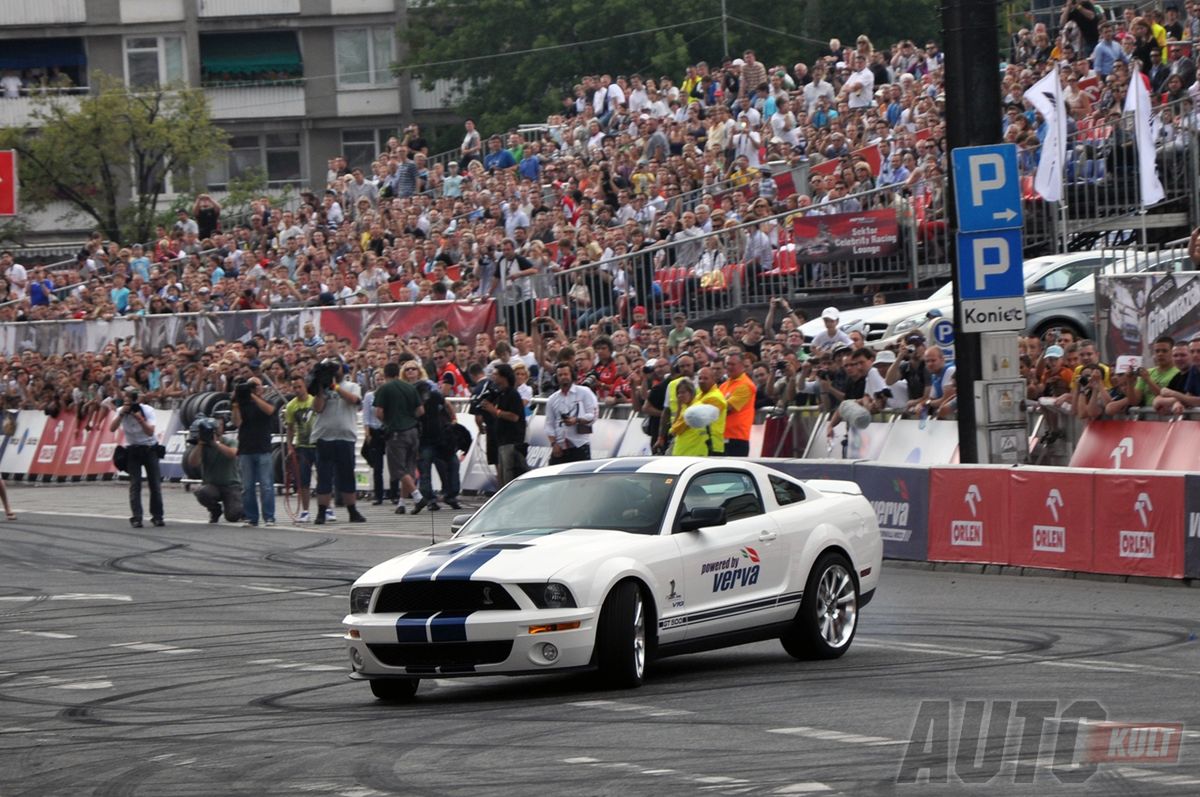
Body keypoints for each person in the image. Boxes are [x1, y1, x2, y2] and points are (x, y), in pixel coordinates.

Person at [313, 362, 366, 524]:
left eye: (337, 369)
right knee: (324, 477)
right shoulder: (321, 388)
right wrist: (321, 389)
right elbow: (317, 408)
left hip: (345, 436)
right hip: (324, 436)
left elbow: (354, 400)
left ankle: (352, 510)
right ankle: (322, 511)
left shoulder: (351, 386)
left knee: (347, 475)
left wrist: (335, 387)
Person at [374, 361, 426, 514]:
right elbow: (421, 410)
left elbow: (379, 413)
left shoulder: (384, 389)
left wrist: (389, 422)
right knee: (408, 468)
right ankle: (401, 503)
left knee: (398, 469)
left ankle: (418, 497)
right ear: (399, 372)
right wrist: (409, 418)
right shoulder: (410, 387)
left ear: (385, 374)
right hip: (413, 431)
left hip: (396, 432)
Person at [408, 363, 461, 511]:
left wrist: (454, 419)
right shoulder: (413, 401)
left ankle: (450, 495)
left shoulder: (435, 395)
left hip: (440, 438)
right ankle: (431, 499)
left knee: (452, 465)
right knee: (425, 471)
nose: (425, 395)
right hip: (424, 440)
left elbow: (447, 404)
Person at [110, 386, 163, 528]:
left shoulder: (147, 410)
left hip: (149, 448)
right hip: (133, 449)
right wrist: (122, 414)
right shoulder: (121, 411)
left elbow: (150, 432)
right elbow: (112, 428)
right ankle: (137, 517)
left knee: (155, 484)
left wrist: (139, 418)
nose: (130, 406)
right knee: (135, 484)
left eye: (131, 402)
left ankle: (157, 516)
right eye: (127, 402)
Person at [231, 376, 277, 528]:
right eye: (251, 386)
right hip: (246, 449)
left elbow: (270, 411)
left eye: (256, 385)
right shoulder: (242, 403)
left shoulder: (266, 401)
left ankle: (269, 517)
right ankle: (251, 517)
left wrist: (253, 395)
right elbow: (237, 422)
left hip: (263, 448)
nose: (253, 387)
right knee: (247, 487)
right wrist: (236, 403)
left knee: (266, 485)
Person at [187, 418, 243, 523]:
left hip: (231, 485)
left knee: (233, 516)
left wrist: (215, 443)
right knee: (201, 492)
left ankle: (241, 505)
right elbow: (193, 463)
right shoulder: (203, 446)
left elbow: (232, 454)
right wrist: (200, 444)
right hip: (213, 486)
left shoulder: (230, 442)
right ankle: (215, 510)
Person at [480, 363, 527, 485]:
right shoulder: (501, 394)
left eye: (496, 374)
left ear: (504, 377)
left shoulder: (513, 394)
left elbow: (514, 417)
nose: (493, 377)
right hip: (501, 441)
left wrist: (495, 411)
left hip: (512, 441)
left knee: (509, 475)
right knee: (502, 475)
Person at [545, 362, 598, 464]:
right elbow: (549, 424)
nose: (563, 377)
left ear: (572, 375)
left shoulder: (584, 392)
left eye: (566, 374)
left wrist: (577, 420)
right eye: (560, 375)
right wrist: (554, 444)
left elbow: (593, 415)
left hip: (580, 445)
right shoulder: (552, 399)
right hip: (560, 447)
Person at [283, 376, 317, 523]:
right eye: (294, 387)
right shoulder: (291, 406)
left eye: (299, 386)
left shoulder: (314, 401)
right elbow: (290, 428)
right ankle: (305, 511)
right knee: (303, 480)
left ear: (305, 386)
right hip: (302, 446)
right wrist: (290, 446)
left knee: (323, 476)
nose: (297, 390)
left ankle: (327, 508)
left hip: (317, 444)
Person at [668, 378, 726, 456]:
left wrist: (679, 408)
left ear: (691, 392)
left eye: (683, 392)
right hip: (687, 451)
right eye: (678, 393)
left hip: (691, 452)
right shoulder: (688, 407)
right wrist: (680, 407)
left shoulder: (692, 410)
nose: (680, 395)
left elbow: (675, 430)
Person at [719, 352, 757, 456]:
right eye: (727, 364)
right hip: (722, 436)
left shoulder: (746, 385)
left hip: (737, 438)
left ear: (742, 366)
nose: (729, 367)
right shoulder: (724, 385)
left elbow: (727, 408)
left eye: (732, 364)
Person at [360, 381, 389, 506]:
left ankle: (394, 494)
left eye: (382, 378)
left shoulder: (390, 394)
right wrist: (367, 434)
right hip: (374, 431)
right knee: (378, 467)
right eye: (377, 379)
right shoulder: (369, 396)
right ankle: (379, 495)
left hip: (387, 429)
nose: (380, 381)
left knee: (393, 464)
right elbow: (366, 416)